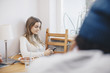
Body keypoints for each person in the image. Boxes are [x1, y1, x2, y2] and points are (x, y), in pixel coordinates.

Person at [28, 0, 110, 73]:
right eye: (36, 26)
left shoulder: (37, 67)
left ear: (75, 41)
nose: (38, 29)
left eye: (39, 27)